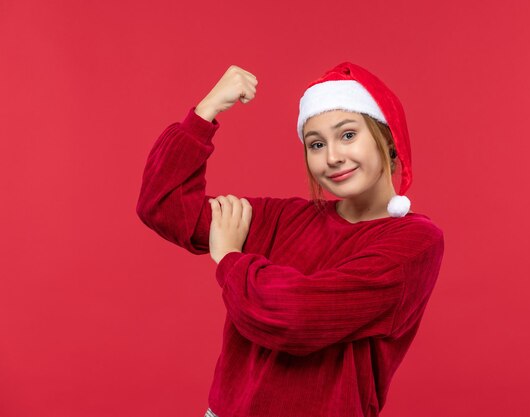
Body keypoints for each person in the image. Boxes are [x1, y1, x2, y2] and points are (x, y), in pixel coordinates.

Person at [136, 62, 445, 417]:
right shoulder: (282, 218)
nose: (332, 157)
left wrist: (230, 258)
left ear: (387, 139)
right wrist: (205, 113)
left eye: (347, 135)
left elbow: (297, 317)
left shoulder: (415, 242)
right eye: (316, 144)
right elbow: (163, 206)